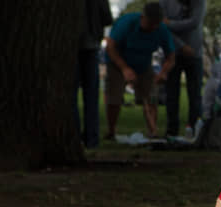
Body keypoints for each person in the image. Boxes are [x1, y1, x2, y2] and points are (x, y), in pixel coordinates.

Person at [104, 2, 175, 139]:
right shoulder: (127, 23)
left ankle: (153, 131)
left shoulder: (161, 29)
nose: (153, 27)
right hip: (118, 62)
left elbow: (171, 56)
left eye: (156, 24)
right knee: (114, 96)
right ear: (143, 17)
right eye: (150, 23)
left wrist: (163, 72)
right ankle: (111, 131)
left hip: (143, 64)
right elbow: (110, 47)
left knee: (151, 97)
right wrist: (124, 69)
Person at [160, 0, 206, 138]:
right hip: (172, 52)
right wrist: (181, 46)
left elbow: (194, 22)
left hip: (195, 52)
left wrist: (171, 24)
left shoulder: (199, 2)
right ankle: (171, 130)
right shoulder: (164, 2)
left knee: (195, 94)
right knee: (171, 94)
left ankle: (195, 129)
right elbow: (162, 27)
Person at [75, 0, 113, 148]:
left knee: (71, 95)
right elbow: (107, 18)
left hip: (74, 43)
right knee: (91, 96)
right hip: (92, 42)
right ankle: (92, 138)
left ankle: (75, 135)